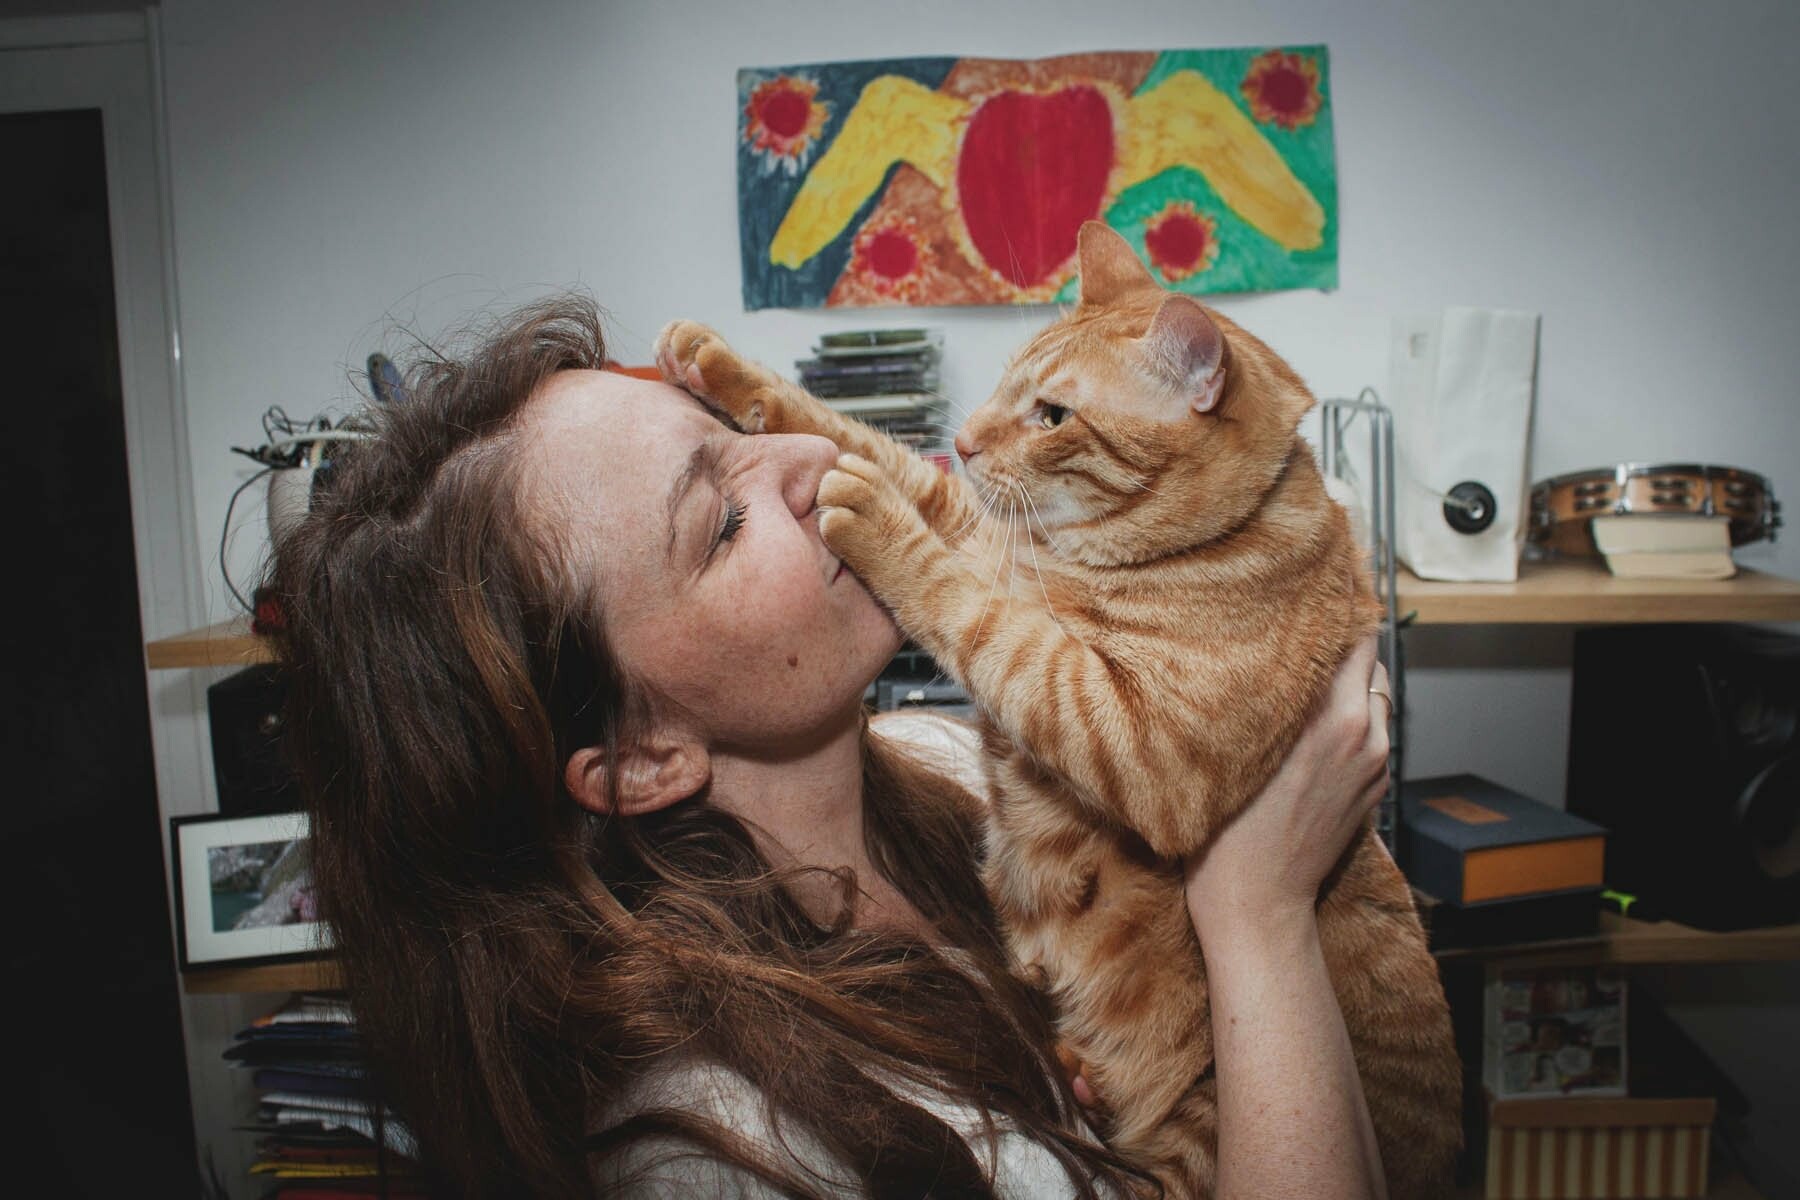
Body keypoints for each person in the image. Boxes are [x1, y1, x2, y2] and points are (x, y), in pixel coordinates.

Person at [271, 295, 1394, 1199]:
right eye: (723, 524)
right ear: (641, 757)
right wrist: (1260, 916)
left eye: (737, 436)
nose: (812, 457)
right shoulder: (729, 1148)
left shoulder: (937, 760)